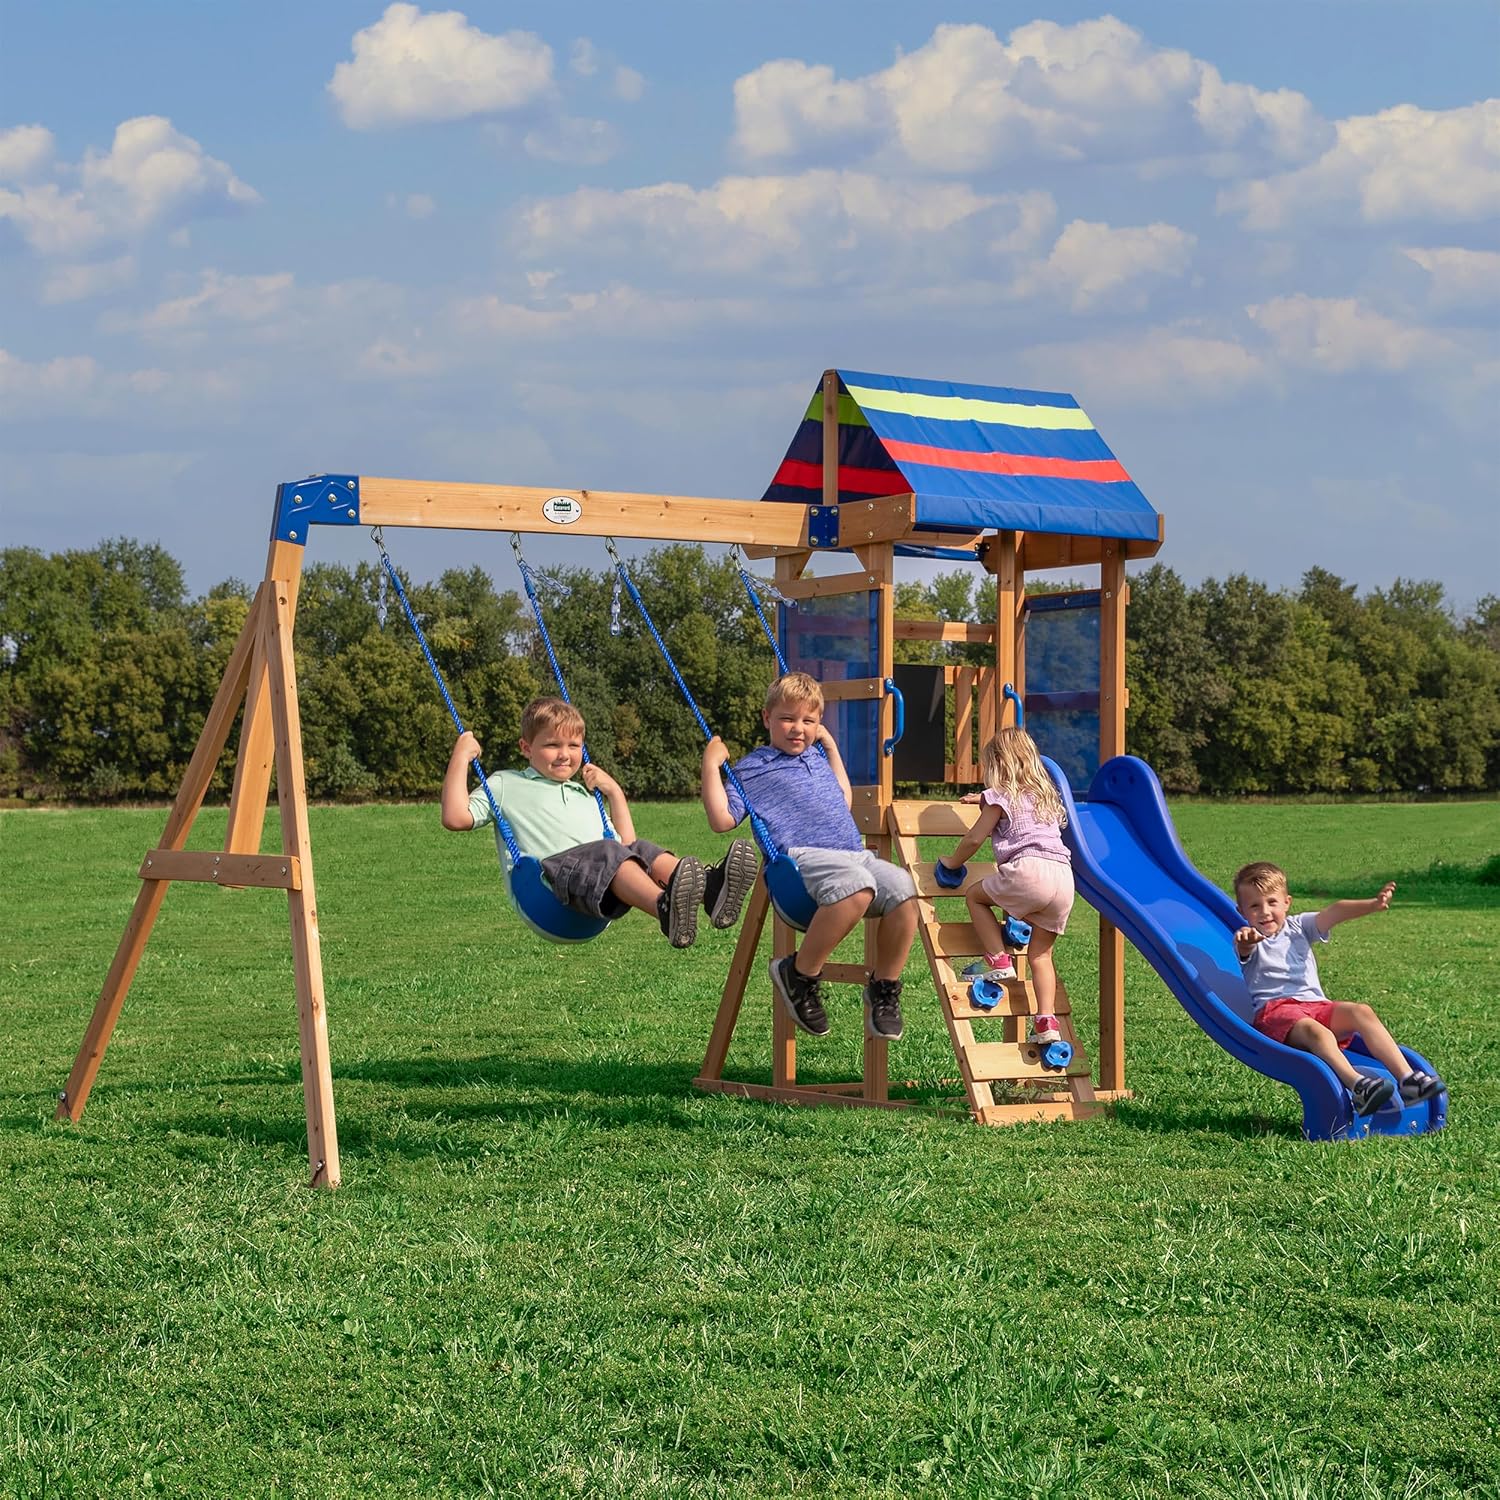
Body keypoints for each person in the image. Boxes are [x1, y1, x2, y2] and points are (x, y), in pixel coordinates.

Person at [700, 671, 917, 1041]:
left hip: (851, 853)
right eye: (787, 718)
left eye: (809, 721)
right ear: (767, 717)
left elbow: (843, 799)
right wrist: (710, 765)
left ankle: (884, 988)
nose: (798, 729)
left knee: (904, 890)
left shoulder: (816, 757)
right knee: (858, 886)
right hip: (800, 861)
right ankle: (800, 974)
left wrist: (830, 747)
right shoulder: (752, 768)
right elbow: (722, 820)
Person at [443, 696, 757, 948]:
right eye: (552, 745)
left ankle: (711, 891)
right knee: (607, 852)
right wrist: (461, 756)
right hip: (549, 892)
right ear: (526, 748)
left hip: (595, 892)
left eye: (573, 746)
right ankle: (664, 908)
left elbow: (627, 845)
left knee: (637, 849)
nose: (564, 755)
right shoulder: (506, 784)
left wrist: (614, 792)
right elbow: (455, 817)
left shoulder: (584, 794)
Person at [1232, 861, 1444, 1115]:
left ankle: (1408, 1080)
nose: (1265, 912)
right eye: (1254, 906)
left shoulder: (1299, 926)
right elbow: (1244, 948)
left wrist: (1373, 904)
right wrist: (1246, 942)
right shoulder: (1248, 938)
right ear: (1241, 911)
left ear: (1287, 902)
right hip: (1277, 1013)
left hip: (1317, 1006)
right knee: (1317, 1032)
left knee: (1361, 1011)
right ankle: (1358, 1086)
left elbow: (1335, 911)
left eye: (1272, 902)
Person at [936, 726, 1073, 1048]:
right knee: (1041, 955)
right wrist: (982, 798)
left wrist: (953, 863)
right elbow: (1012, 806)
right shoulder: (1045, 796)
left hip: (1030, 872)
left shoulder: (1001, 796)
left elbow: (974, 838)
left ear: (998, 763)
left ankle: (998, 959)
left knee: (976, 897)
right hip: (1064, 880)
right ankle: (1046, 1022)